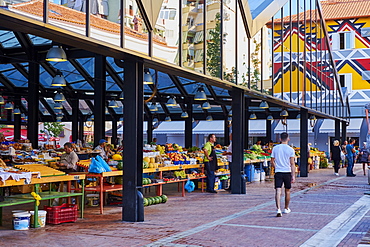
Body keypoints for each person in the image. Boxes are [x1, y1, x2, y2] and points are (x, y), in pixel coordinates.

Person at [271, 132, 296, 217]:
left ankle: (278, 209)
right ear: (288, 139)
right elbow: (292, 163)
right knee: (287, 191)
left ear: (280, 139)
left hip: (278, 172)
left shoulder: (275, 148)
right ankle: (286, 208)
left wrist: (276, 167)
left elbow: (272, 161)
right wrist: (293, 175)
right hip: (287, 172)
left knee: (278, 191)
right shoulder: (291, 150)